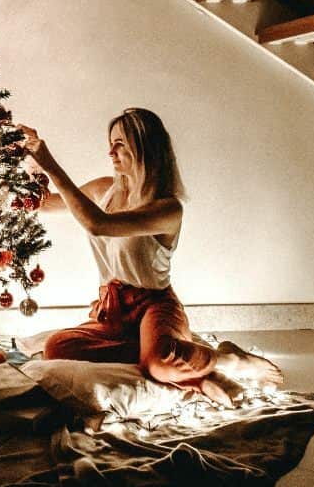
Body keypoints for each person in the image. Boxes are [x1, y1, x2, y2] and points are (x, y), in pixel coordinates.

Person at [17, 108, 283, 408]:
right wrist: (31, 161)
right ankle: (187, 364)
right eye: (111, 142)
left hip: (154, 306)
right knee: (56, 347)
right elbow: (43, 205)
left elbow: (97, 224)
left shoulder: (167, 209)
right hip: (112, 309)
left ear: (144, 148)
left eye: (120, 144)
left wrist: (50, 164)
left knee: (158, 364)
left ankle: (225, 360)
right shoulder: (104, 188)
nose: (110, 151)